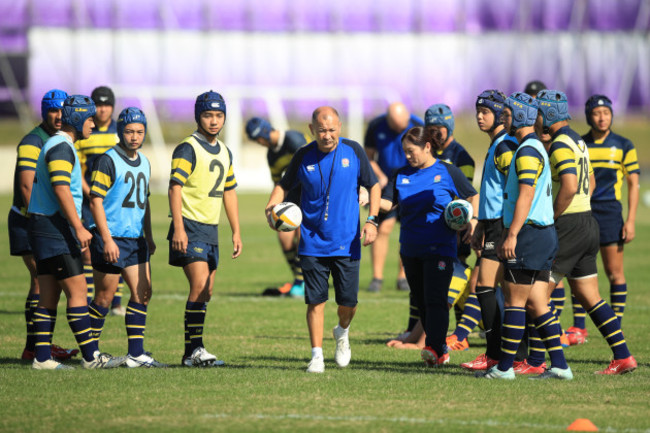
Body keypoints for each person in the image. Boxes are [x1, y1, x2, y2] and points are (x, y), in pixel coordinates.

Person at [264, 106, 380, 373]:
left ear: (340, 126)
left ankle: (342, 332)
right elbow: (283, 185)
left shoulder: (354, 151)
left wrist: (371, 220)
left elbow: (373, 185)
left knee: (348, 303)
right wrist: (271, 207)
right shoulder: (303, 155)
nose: (327, 136)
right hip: (312, 241)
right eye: (321, 131)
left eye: (332, 130)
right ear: (311, 129)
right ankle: (316, 355)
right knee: (315, 301)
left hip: (347, 241)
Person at [533, 90, 636, 374]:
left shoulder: (559, 144)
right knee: (588, 294)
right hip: (587, 221)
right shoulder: (578, 139)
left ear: (549, 114)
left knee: (535, 296)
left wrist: (551, 218)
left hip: (568, 225)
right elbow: (588, 180)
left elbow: (568, 185)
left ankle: (539, 361)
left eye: (540, 113)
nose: (537, 118)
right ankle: (623, 356)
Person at [480, 92, 572, 380]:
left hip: (530, 234)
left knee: (515, 302)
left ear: (519, 116)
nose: (504, 120)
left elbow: (526, 193)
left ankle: (505, 368)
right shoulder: (531, 147)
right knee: (537, 303)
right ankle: (560, 366)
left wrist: (512, 235)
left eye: (507, 115)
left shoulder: (528, 150)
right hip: (542, 234)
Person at [27, 94, 123, 369]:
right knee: (78, 291)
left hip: (43, 226)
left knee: (48, 295)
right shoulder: (61, 147)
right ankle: (92, 357)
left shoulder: (57, 143)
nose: (93, 123)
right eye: (90, 118)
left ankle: (42, 358)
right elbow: (60, 188)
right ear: (79, 118)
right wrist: (79, 226)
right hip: (54, 228)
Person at [380, 126, 478, 367]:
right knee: (422, 301)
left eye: (411, 151)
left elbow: (471, 196)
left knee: (436, 300)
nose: (408, 156)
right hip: (410, 250)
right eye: (405, 152)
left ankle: (436, 349)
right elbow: (386, 204)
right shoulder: (401, 174)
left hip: (440, 248)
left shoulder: (447, 171)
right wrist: (364, 195)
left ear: (427, 147)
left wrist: (471, 220)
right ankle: (436, 347)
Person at [87, 107, 165, 368]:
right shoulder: (108, 160)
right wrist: (107, 240)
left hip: (136, 240)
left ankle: (136, 354)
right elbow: (95, 200)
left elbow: (144, 202)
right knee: (104, 299)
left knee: (143, 293)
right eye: (130, 131)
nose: (134, 136)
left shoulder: (144, 161)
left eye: (139, 132)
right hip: (111, 238)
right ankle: (92, 354)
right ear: (120, 131)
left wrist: (149, 235)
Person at [168, 90, 242, 367]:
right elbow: (175, 187)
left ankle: (191, 353)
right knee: (199, 286)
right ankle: (195, 350)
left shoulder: (224, 151)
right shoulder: (188, 147)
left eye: (219, 115)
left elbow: (229, 192)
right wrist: (178, 228)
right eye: (208, 115)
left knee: (207, 290)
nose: (214, 121)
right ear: (198, 116)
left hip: (211, 230)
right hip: (189, 225)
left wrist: (235, 231)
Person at [9, 89, 79, 362]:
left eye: (63, 110)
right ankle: (35, 348)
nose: (59, 116)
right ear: (44, 112)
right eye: (53, 110)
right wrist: (44, 221)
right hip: (30, 221)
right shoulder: (32, 142)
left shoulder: (60, 140)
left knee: (44, 282)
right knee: (41, 280)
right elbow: (27, 188)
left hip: (46, 220)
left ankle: (39, 346)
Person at [462, 90, 518, 371]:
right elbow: (491, 193)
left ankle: (498, 353)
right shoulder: (496, 144)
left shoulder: (505, 146)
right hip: (493, 224)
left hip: (504, 226)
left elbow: (515, 188)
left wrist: (508, 229)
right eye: (477, 112)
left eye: (485, 112)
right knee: (491, 288)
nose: (479, 117)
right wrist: (480, 225)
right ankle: (503, 352)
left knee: (487, 287)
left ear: (498, 114)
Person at [423, 103, 483, 350]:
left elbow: (464, 196)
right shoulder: (429, 153)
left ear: (449, 128)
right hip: (430, 226)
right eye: (431, 130)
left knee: (454, 269)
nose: (435, 134)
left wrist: (464, 224)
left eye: (440, 130)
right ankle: (417, 328)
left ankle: (461, 332)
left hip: (454, 227)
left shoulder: (462, 158)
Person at [583, 94, 639, 329]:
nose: (602, 117)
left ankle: (616, 322)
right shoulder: (579, 143)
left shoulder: (624, 145)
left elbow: (633, 184)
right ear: (589, 116)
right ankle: (579, 327)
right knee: (580, 269)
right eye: (597, 113)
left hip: (610, 213)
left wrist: (631, 220)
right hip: (583, 211)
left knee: (614, 272)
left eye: (606, 113)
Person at [75, 86, 126, 316]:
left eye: (107, 105)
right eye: (99, 105)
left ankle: (116, 303)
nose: (103, 109)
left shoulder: (120, 131)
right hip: (91, 200)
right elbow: (78, 169)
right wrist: (91, 193)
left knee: (121, 247)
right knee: (88, 252)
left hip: (116, 203)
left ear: (113, 107)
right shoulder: (85, 132)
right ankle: (87, 301)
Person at [363, 102, 423, 293]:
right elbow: (368, 156)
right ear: (388, 119)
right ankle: (377, 278)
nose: (399, 130)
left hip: (410, 184)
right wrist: (379, 176)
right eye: (395, 126)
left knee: (409, 229)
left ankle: (403, 277)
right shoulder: (376, 126)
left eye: (402, 126)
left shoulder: (417, 124)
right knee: (383, 228)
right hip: (385, 185)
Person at [245, 117, 307, 297]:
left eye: (257, 139)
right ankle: (301, 278)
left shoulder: (294, 140)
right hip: (291, 198)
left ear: (263, 133)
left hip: (310, 194)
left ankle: (302, 282)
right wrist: (276, 206)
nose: (259, 143)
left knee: (300, 235)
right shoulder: (271, 155)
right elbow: (277, 183)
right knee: (284, 237)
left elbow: (311, 167)